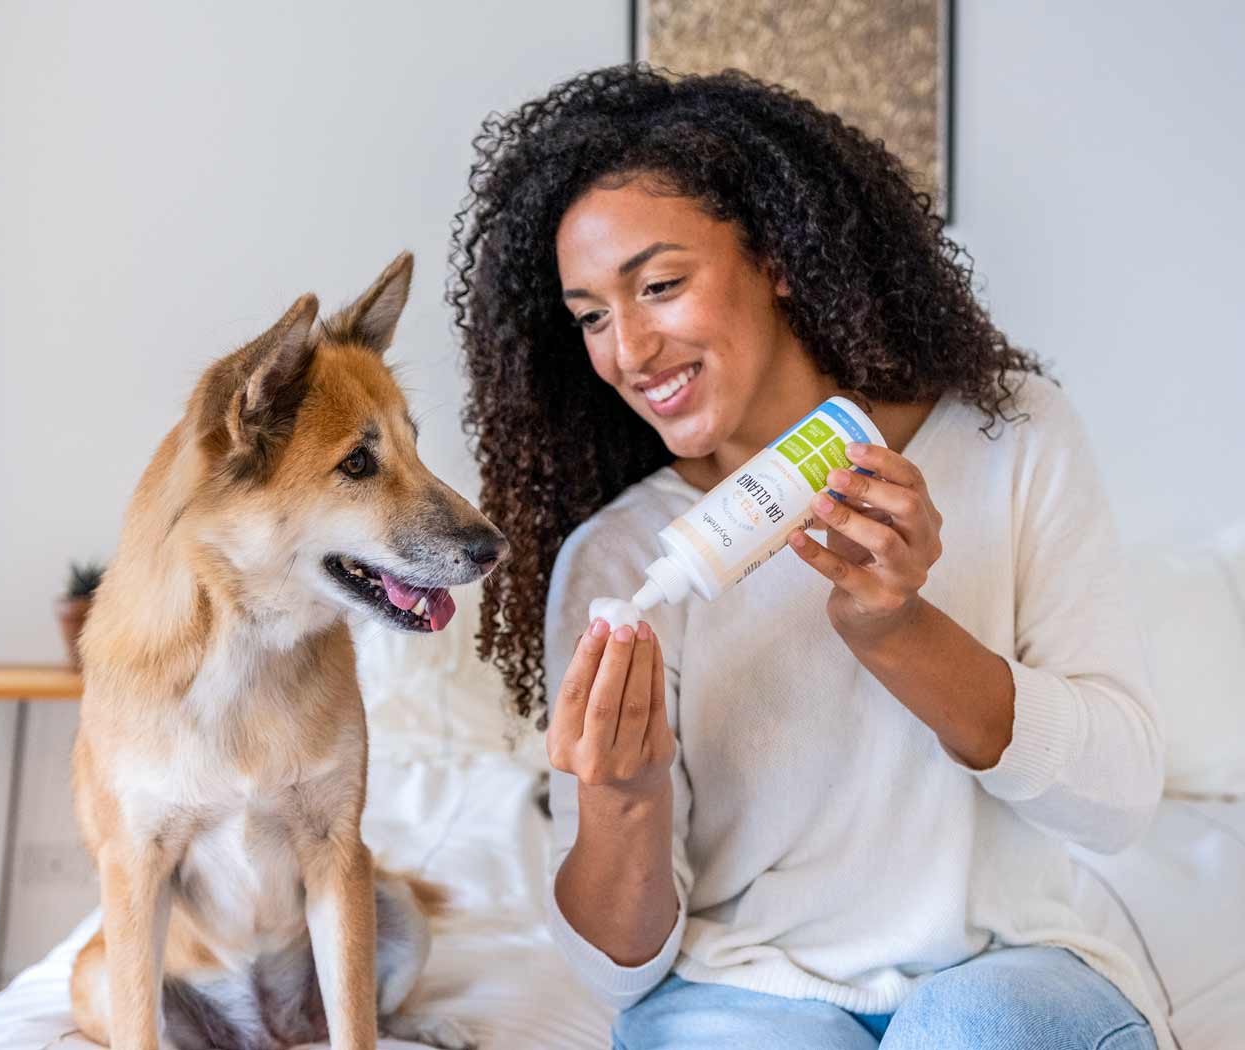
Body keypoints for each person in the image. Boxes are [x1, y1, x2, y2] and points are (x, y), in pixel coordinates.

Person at [449, 65, 1166, 1050]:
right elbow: (616, 963)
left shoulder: (1009, 443)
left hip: (1013, 967)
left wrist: (897, 628)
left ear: (777, 257)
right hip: (738, 997)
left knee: (969, 1027)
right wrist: (622, 799)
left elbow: (1118, 802)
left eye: (658, 286)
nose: (627, 351)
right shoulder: (617, 557)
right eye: (590, 317)